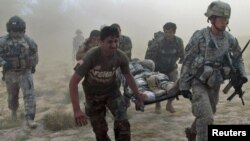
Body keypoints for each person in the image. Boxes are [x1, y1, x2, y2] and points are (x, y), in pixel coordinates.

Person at [179, 1, 248, 141]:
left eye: (226, 19)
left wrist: (242, 75)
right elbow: (188, 61)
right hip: (198, 82)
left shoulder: (229, 39)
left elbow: (238, 58)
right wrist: (184, 86)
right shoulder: (200, 37)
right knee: (206, 117)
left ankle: (192, 132)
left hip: (215, 83)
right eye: (221, 18)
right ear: (211, 19)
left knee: (210, 112)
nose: (224, 22)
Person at [69, 26, 144, 141]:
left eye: (116, 41)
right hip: (93, 96)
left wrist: (138, 97)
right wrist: (77, 111)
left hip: (112, 92)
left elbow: (128, 76)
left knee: (123, 126)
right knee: (100, 132)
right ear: (101, 42)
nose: (113, 45)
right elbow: (73, 82)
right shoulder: (90, 56)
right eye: (109, 42)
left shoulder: (121, 56)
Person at [0, 16, 39, 128]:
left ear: (23, 30)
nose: (16, 34)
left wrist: (34, 65)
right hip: (10, 74)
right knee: (12, 96)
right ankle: (13, 112)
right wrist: (4, 63)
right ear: (9, 30)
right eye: (14, 31)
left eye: (19, 31)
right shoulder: (2, 41)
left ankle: (30, 118)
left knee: (29, 95)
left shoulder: (28, 40)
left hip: (25, 72)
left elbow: (35, 51)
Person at [145, 22, 184, 113]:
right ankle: (158, 104)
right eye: (166, 32)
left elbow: (182, 55)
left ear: (174, 32)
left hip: (172, 68)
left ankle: (169, 104)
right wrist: (151, 71)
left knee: (175, 87)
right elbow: (149, 57)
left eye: (170, 32)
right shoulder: (158, 42)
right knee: (158, 88)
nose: (168, 34)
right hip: (159, 68)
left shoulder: (178, 41)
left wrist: (184, 65)